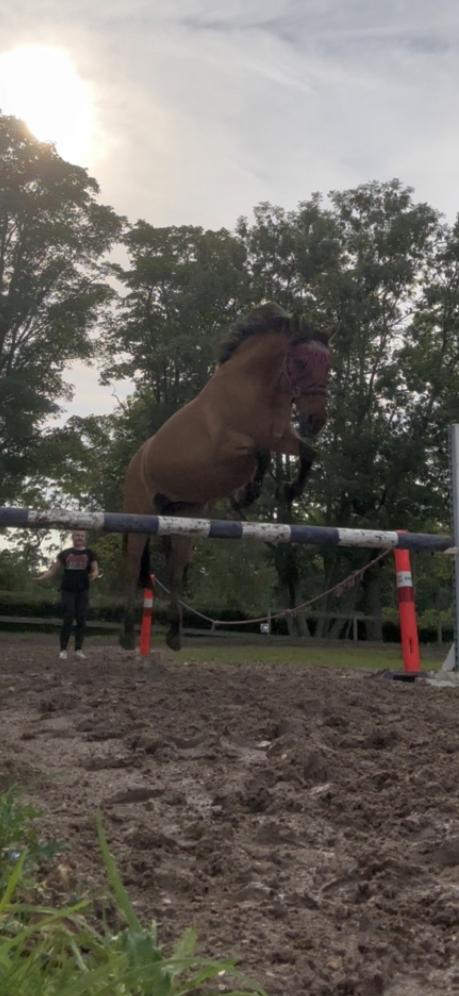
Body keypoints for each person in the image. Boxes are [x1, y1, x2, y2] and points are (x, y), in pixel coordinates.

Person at [35, 530, 99, 660]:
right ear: (72, 537)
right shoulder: (64, 554)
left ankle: (78, 650)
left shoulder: (90, 553)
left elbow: (95, 570)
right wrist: (41, 578)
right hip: (67, 590)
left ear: (85, 538)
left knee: (81, 619)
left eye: (82, 536)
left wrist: (93, 575)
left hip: (83, 590)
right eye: (77, 535)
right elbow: (53, 571)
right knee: (68, 617)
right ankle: (63, 650)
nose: (79, 538)